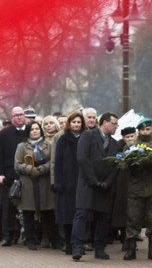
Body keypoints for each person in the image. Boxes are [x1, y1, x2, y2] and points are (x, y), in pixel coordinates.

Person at [70, 112, 121, 260]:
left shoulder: (115, 144)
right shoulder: (88, 136)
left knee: (103, 218)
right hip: (88, 184)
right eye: (114, 124)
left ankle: (100, 248)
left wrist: (108, 182)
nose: (116, 127)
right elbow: (82, 158)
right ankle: (77, 246)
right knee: (82, 215)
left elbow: (116, 165)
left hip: (105, 186)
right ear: (104, 123)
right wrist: (93, 180)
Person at [122, 117, 152, 261]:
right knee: (133, 219)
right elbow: (123, 165)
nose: (145, 132)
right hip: (136, 189)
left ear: (151, 129)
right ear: (138, 130)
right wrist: (133, 162)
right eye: (142, 129)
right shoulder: (132, 146)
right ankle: (130, 249)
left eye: (147, 129)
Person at [14, 120, 58, 250]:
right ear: (28, 132)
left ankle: (54, 240)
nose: (35, 131)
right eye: (32, 129)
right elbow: (17, 164)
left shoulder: (48, 145)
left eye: (37, 129)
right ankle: (30, 240)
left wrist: (41, 170)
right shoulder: (21, 146)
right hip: (28, 184)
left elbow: (52, 161)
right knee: (28, 214)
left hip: (44, 183)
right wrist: (30, 170)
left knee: (48, 213)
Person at [0, 106, 28, 246]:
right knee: (8, 207)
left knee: (26, 207)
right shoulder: (4, 133)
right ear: (11, 118)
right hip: (8, 175)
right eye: (16, 115)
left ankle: (26, 235)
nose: (19, 117)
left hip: (27, 174)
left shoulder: (30, 131)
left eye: (21, 114)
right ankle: (7, 235)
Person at [53, 111, 85, 255]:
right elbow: (57, 162)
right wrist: (57, 182)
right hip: (66, 182)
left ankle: (79, 243)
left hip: (83, 181)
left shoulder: (86, 138)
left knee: (81, 214)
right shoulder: (63, 139)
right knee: (67, 216)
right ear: (69, 124)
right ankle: (68, 243)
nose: (76, 125)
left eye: (79, 122)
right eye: (74, 122)